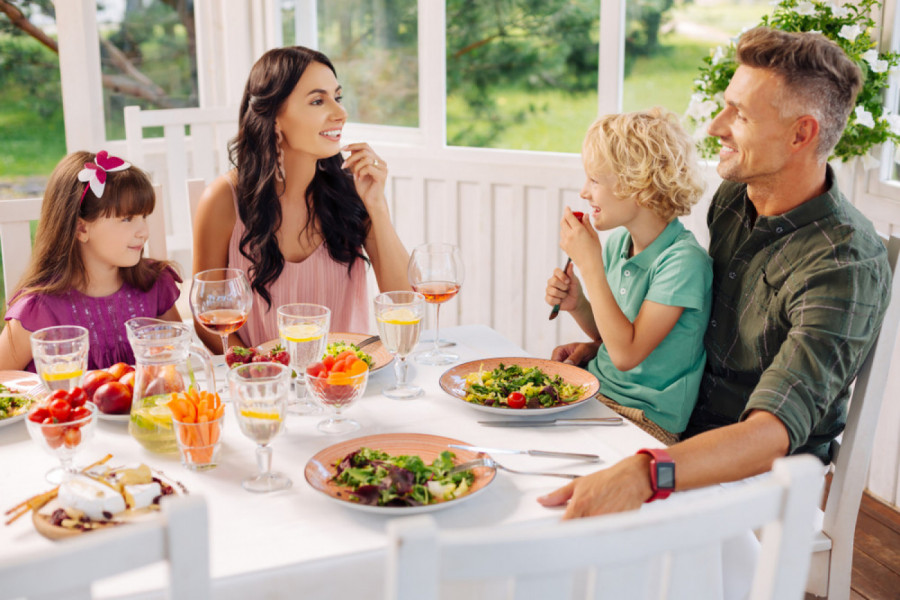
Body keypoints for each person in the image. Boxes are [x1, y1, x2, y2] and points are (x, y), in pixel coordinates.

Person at [540, 27, 891, 518]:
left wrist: (649, 472)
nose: (715, 127)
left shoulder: (844, 265)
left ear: (800, 134)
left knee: (569, 526)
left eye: (740, 114)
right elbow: (694, 319)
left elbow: (771, 432)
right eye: (726, 105)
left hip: (762, 475)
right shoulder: (734, 199)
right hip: (679, 429)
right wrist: (603, 344)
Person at [193, 46, 410, 351]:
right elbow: (207, 313)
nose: (340, 113)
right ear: (274, 117)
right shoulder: (223, 199)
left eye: (338, 97)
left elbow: (404, 301)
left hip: (346, 383)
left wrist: (377, 207)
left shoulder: (353, 192)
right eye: (318, 101)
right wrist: (258, 371)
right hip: (265, 388)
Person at [545, 108, 711, 444]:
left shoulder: (683, 263)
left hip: (645, 419)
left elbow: (625, 355)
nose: (584, 192)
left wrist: (591, 267)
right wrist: (579, 305)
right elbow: (612, 336)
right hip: (599, 395)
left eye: (594, 180)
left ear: (638, 184)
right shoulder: (620, 243)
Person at [0, 150, 182, 371]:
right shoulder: (38, 309)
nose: (143, 231)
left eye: (144, 216)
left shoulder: (155, 284)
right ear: (81, 228)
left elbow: (179, 362)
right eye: (126, 218)